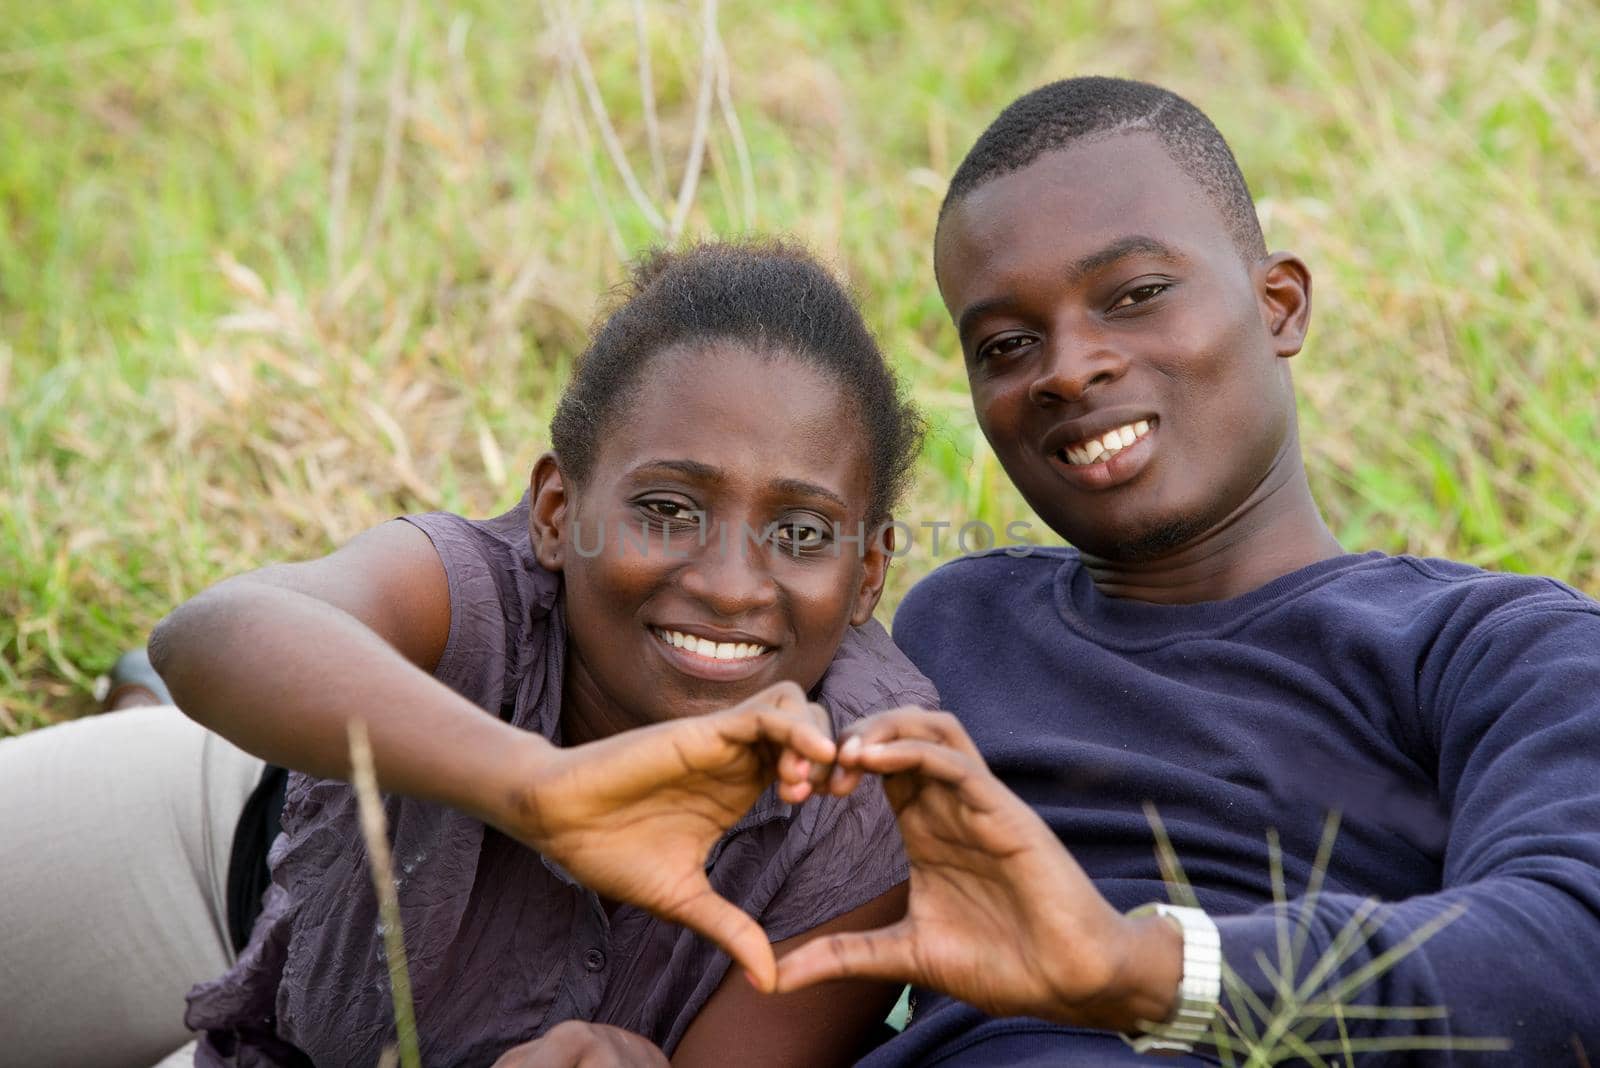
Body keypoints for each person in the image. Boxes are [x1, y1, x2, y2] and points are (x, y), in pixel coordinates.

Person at [771, 77, 1600, 1065]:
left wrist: (1143, 971)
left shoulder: (1492, 645)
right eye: (1005, 344)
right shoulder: (957, 623)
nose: (1068, 368)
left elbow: (1566, 947)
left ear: (1279, 305)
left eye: (1135, 295)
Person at [0, 240, 935, 1068]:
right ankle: (138, 724)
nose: (733, 584)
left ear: (867, 574)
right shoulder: (482, 592)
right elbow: (207, 635)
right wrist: (538, 790)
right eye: (667, 509)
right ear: (557, 514)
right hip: (227, 843)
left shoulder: (873, 791)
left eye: (804, 530)